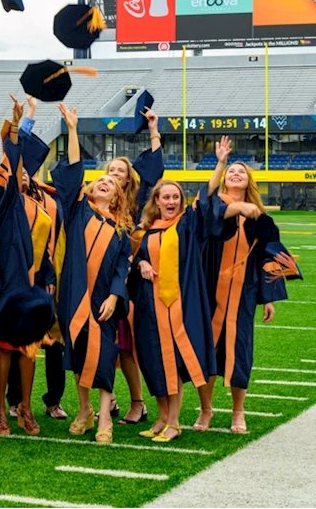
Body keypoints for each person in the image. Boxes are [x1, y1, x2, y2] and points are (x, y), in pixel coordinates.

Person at [195, 136, 298, 435]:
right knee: (208, 350)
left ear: (249, 180)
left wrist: (269, 298)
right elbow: (205, 206)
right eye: (231, 171)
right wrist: (221, 162)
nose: (236, 173)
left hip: (243, 292)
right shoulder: (216, 206)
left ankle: (238, 412)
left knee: (240, 351)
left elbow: (269, 257)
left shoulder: (259, 216)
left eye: (242, 171)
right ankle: (206, 409)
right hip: (210, 289)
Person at [54, 102, 133, 444]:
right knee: (78, 352)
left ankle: (103, 417)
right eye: (98, 181)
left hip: (104, 301)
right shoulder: (77, 214)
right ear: (88, 191)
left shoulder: (121, 231)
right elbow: (72, 170)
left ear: (117, 195)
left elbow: (121, 268)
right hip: (74, 294)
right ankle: (84, 409)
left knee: (103, 355)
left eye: (109, 183)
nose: (103, 183)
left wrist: (116, 296)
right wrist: (73, 130)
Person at [128, 180, 217, 442]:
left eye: (175, 197)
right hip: (149, 306)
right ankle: (162, 416)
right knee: (153, 360)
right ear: (156, 201)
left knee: (173, 363)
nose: (170, 202)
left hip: (178, 305)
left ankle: (175, 422)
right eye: (165, 197)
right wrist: (142, 262)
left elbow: (205, 198)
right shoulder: (147, 230)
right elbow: (135, 259)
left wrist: (220, 163)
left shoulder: (186, 225)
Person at [0, 95, 68, 428]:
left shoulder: (49, 199)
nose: (26, 172)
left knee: (50, 341)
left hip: (45, 278)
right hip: (15, 280)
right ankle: (11, 403)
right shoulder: (9, 200)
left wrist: (51, 275)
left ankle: (49, 400)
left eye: (31, 168)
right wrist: (25, 117)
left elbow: (54, 242)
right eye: (21, 169)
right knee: (13, 343)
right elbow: (11, 156)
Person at [104, 110, 163, 426]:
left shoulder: (137, 203)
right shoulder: (97, 203)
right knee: (103, 344)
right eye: (110, 169)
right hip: (99, 280)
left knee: (125, 346)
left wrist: (153, 129)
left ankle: (138, 403)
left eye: (119, 170)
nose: (114, 174)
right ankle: (107, 399)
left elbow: (154, 169)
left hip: (129, 282)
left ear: (128, 177)